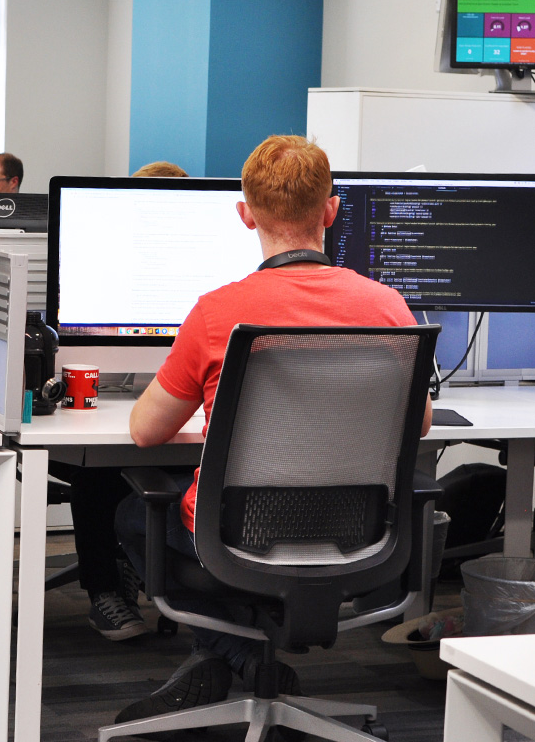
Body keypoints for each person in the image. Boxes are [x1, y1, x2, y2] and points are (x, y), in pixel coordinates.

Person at [111, 135, 431, 724]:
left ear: (245, 213)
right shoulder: (388, 306)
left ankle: (228, 650)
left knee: (134, 513)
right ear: (331, 210)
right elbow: (422, 420)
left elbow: (145, 431)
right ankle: (245, 656)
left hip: (236, 536)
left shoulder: (217, 311)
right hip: (356, 534)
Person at [60, 161, 191, 643]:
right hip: (119, 417)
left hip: (180, 417)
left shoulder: (203, 277)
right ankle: (105, 589)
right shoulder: (107, 273)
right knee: (98, 471)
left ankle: (167, 582)